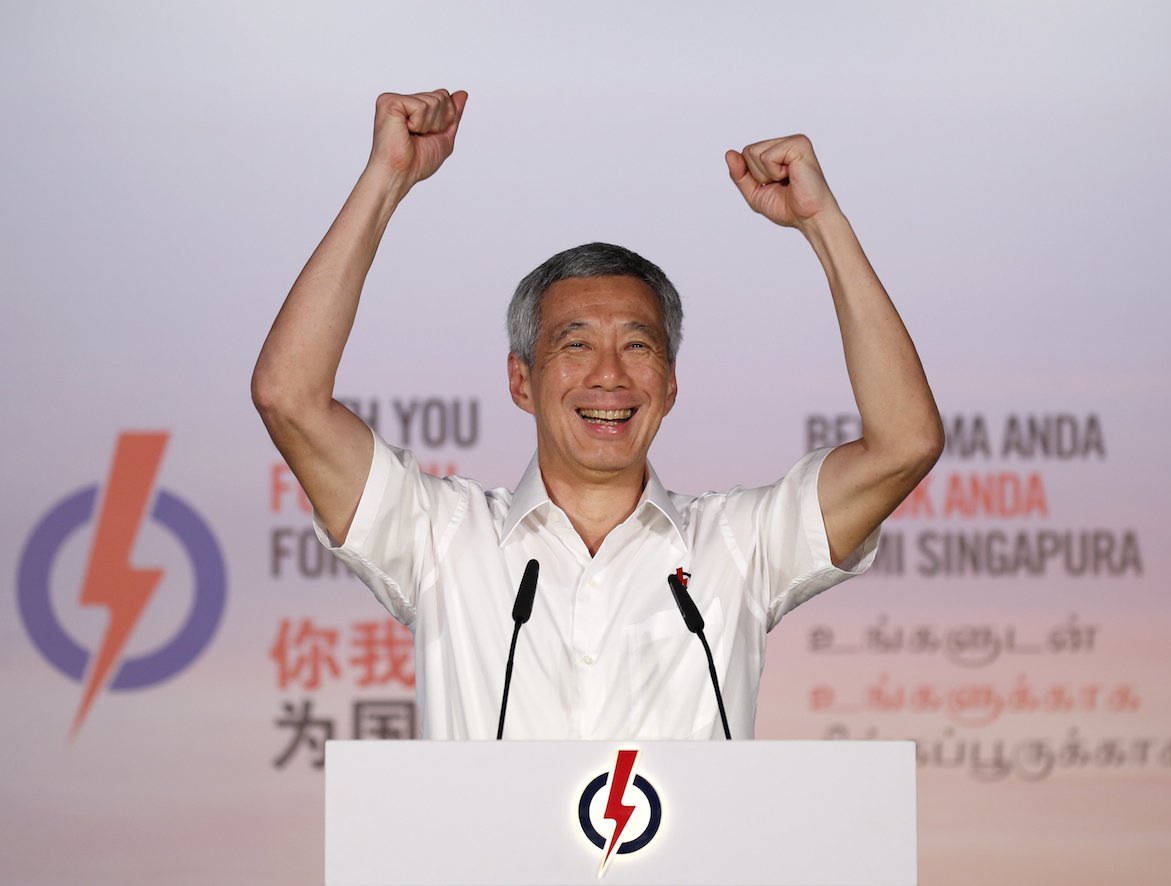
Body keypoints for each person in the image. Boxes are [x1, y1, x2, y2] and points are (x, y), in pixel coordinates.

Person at [251, 89, 943, 740]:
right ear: (521, 379)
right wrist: (386, 180)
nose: (609, 376)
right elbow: (290, 398)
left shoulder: (738, 547)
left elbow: (904, 445)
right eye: (576, 344)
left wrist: (823, 226)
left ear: (670, 385)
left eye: (637, 346)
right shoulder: (442, 540)